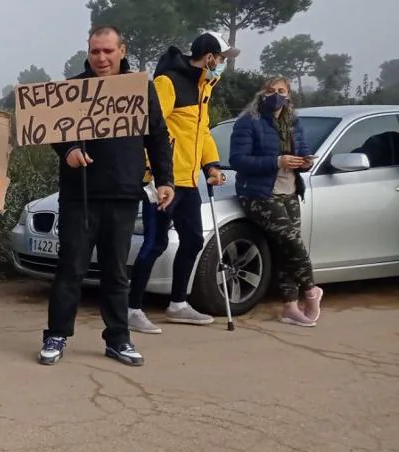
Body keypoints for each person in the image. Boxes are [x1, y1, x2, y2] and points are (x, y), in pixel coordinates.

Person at [39, 25, 175, 367]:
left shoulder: (139, 89)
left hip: (124, 195)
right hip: (79, 196)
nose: (101, 58)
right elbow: (55, 133)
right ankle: (56, 334)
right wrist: (68, 150)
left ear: (122, 51)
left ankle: (118, 338)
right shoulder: (73, 89)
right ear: (88, 52)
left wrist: (165, 180)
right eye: (95, 51)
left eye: (107, 51)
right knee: (70, 269)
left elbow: (157, 136)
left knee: (116, 272)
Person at [127, 32, 238, 334]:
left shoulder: (204, 87)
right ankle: (131, 309)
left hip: (188, 181)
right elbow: (150, 128)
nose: (222, 65)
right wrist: (153, 174)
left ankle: (178, 304)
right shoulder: (169, 82)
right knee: (155, 243)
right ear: (210, 56)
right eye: (222, 58)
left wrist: (211, 165)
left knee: (193, 240)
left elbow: (200, 132)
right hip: (163, 181)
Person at [228, 76, 323, 326]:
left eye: (281, 91)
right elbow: (237, 160)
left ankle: (290, 306)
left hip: (290, 189)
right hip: (258, 193)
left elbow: (302, 149)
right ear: (262, 94)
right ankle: (312, 291)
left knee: (286, 249)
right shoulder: (248, 122)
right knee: (292, 240)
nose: (276, 95)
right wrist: (276, 161)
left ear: (289, 95)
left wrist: (305, 161)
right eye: (271, 91)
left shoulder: (293, 121)